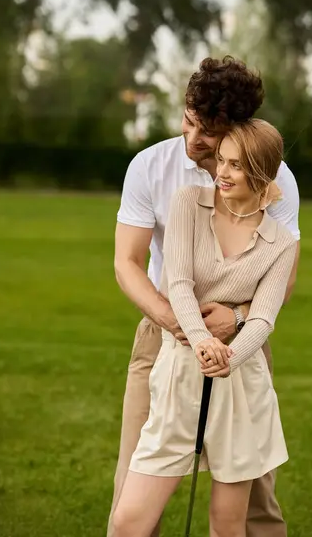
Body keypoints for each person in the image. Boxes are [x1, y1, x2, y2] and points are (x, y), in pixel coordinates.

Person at [107, 56, 300, 537]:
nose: (193, 140)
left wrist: (234, 322)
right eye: (189, 121)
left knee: (254, 504)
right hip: (162, 338)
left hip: (239, 344)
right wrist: (180, 324)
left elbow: (282, 276)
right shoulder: (151, 166)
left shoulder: (279, 182)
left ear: (239, 128)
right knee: (132, 485)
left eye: (209, 132)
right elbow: (128, 263)